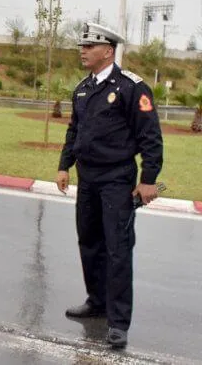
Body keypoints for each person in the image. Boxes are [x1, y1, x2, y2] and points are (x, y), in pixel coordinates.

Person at [56, 22, 163, 349]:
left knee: (118, 249)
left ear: (108, 50)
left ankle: (118, 323)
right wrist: (64, 165)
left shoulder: (132, 87)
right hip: (87, 179)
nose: (83, 51)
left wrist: (148, 180)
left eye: (89, 46)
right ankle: (97, 301)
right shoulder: (83, 88)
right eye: (82, 46)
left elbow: (150, 137)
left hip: (117, 179)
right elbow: (74, 131)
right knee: (89, 242)